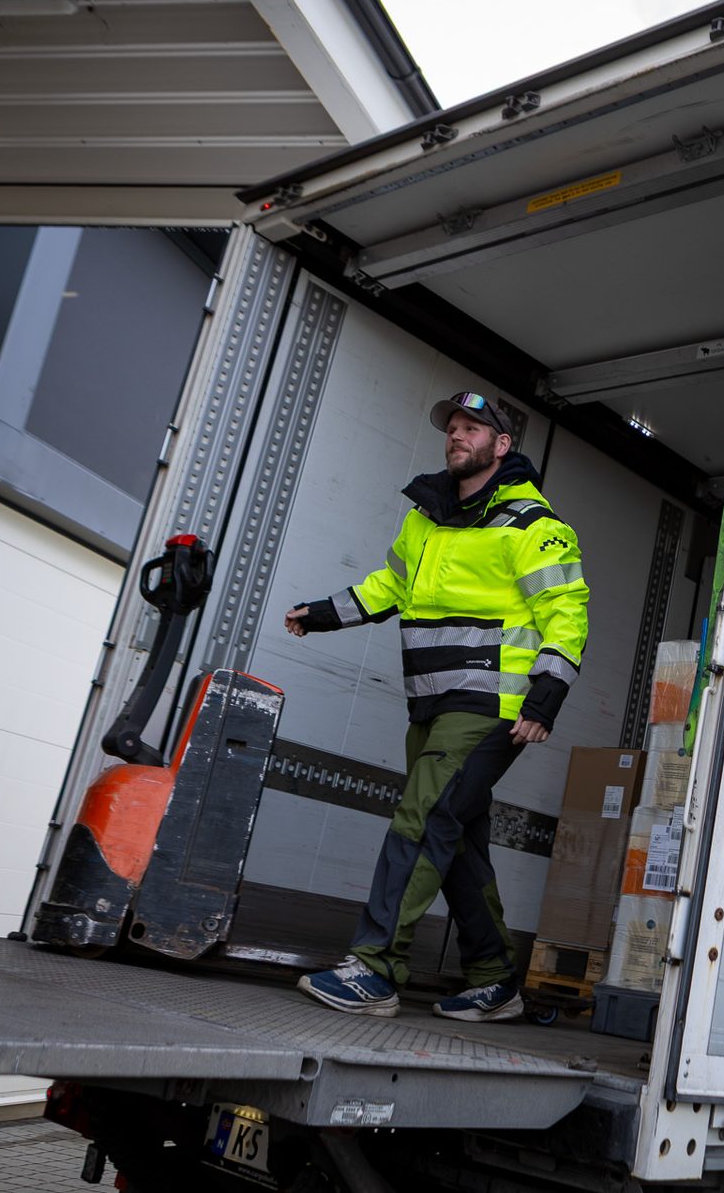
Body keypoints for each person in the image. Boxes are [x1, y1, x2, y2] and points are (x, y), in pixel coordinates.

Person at [288, 391, 588, 1021]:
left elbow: (566, 612)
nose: (457, 435)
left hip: (489, 704)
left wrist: (547, 696)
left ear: (501, 445)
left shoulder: (534, 526)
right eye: (452, 427)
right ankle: (495, 976)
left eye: (472, 427)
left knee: (422, 821)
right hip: (428, 703)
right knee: (457, 841)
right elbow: (390, 586)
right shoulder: (425, 518)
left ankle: (375, 968)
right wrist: (321, 615)